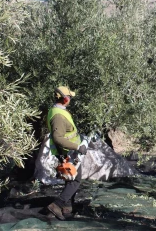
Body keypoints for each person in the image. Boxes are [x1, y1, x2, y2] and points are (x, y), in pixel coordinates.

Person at [46, 86, 87, 220]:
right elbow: (58, 138)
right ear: (64, 99)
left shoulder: (58, 110)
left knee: (70, 179)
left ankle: (67, 208)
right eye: (69, 97)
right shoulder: (58, 115)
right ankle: (56, 205)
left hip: (69, 151)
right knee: (75, 180)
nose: (70, 99)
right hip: (68, 152)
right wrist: (77, 147)